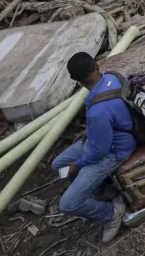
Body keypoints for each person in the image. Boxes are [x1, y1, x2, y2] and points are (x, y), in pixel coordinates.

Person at [51, 52, 136, 243]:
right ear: (96, 66)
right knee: (57, 165)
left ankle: (112, 213)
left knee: (68, 204)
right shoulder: (114, 76)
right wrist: (91, 130)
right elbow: (112, 113)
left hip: (113, 152)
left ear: (77, 81)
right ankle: (105, 193)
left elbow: (99, 152)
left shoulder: (98, 112)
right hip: (103, 138)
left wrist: (79, 165)